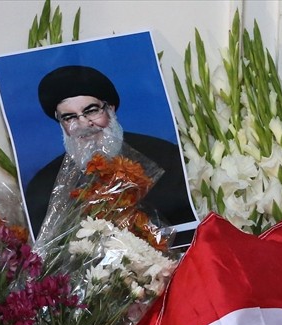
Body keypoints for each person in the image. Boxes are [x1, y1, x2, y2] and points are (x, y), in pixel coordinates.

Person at [24, 65, 197, 240]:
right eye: (69, 117)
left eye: (91, 111)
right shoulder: (44, 185)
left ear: (110, 109)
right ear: (61, 123)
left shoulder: (164, 156)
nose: (83, 123)